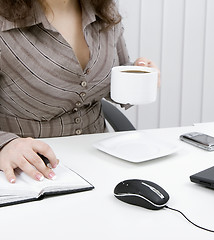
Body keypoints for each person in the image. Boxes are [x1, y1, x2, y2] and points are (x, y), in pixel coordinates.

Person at [0, 0, 159, 183]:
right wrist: (4, 145)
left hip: (101, 164)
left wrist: (140, 73)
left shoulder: (104, 8)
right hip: (28, 173)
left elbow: (116, 76)